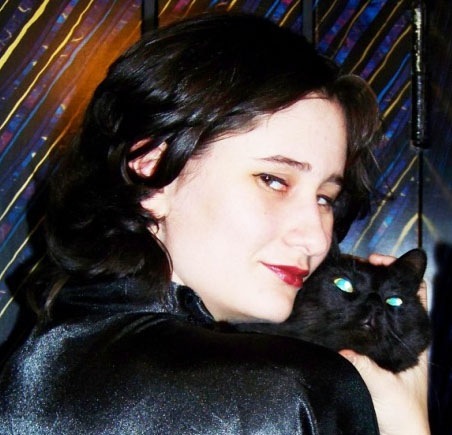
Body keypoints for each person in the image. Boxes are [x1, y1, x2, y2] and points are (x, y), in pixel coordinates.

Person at [0, 13, 429, 434]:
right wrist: (408, 422)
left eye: (325, 199)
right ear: (155, 169)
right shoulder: (288, 393)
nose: (317, 237)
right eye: (273, 180)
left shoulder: (40, 363)